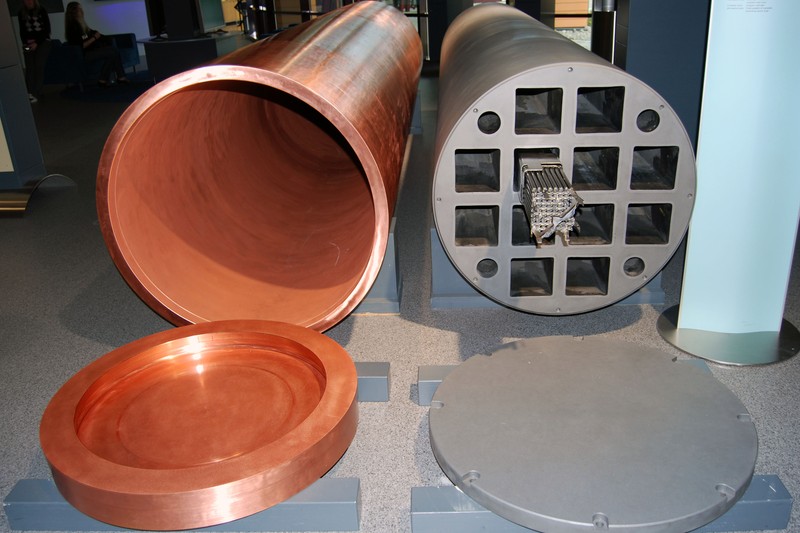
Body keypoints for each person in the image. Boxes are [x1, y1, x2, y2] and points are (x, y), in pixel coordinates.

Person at [64, 1, 129, 86]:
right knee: (113, 51)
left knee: (112, 52)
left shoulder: (82, 25)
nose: (82, 11)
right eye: (80, 9)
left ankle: (109, 79)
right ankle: (114, 78)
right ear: (74, 12)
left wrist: (105, 38)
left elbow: (93, 33)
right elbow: (81, 46)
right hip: (83, 55)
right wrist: (94, 38)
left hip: (91, 51)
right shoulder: (73, 28)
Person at [18, 0, 52, 103]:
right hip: (28, 44)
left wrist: (36, 42)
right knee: (29, 67)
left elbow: (47, 30)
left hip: (43, 42)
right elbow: (22, 31)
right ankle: (30, 93)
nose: (28, 1)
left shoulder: (41, 10)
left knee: (39, 64)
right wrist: (26, 43)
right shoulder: (21, 13)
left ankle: (37, 91)